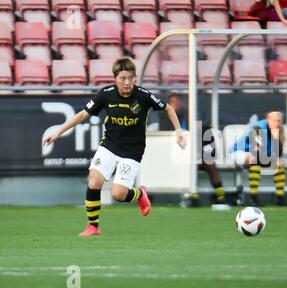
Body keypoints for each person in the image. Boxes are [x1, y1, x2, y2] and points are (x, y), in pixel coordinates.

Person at [44, 57, 187, 236]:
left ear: (135, 78)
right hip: (109, 146)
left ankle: (140, 194)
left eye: (130, 78)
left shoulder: (143, 95)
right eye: (122, 78)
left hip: (132, 152)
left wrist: (179, 133)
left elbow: (169, 109)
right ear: (115, 79)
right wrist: (58, 132)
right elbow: (82, 115)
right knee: (94, 180)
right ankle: (93, 227)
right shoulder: (106, 94)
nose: (127, 83)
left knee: (118, 195)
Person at [160, 92, 230, 209]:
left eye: (177, 102)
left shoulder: (201, 127)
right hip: (176, 158)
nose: (175, 105)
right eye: (172, 103)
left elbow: (209, 149)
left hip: (197, 158)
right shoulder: (166, 123)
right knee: (187, 164)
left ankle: (220, 197)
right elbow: (164, 144)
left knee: (210, 164)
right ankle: (193, 196)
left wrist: (200, 155)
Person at [230, 110, 287, 206]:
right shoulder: (258, 128)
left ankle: (280, 198)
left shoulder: (278, 130)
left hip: (258, 155)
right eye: (274, 120)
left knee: (279, 164)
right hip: (240, 152)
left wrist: (276, 138)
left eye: (279, 121)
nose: (277, 123)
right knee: (254, 161)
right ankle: (253, 198)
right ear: (268, 119)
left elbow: (278, 153)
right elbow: (255, 151)